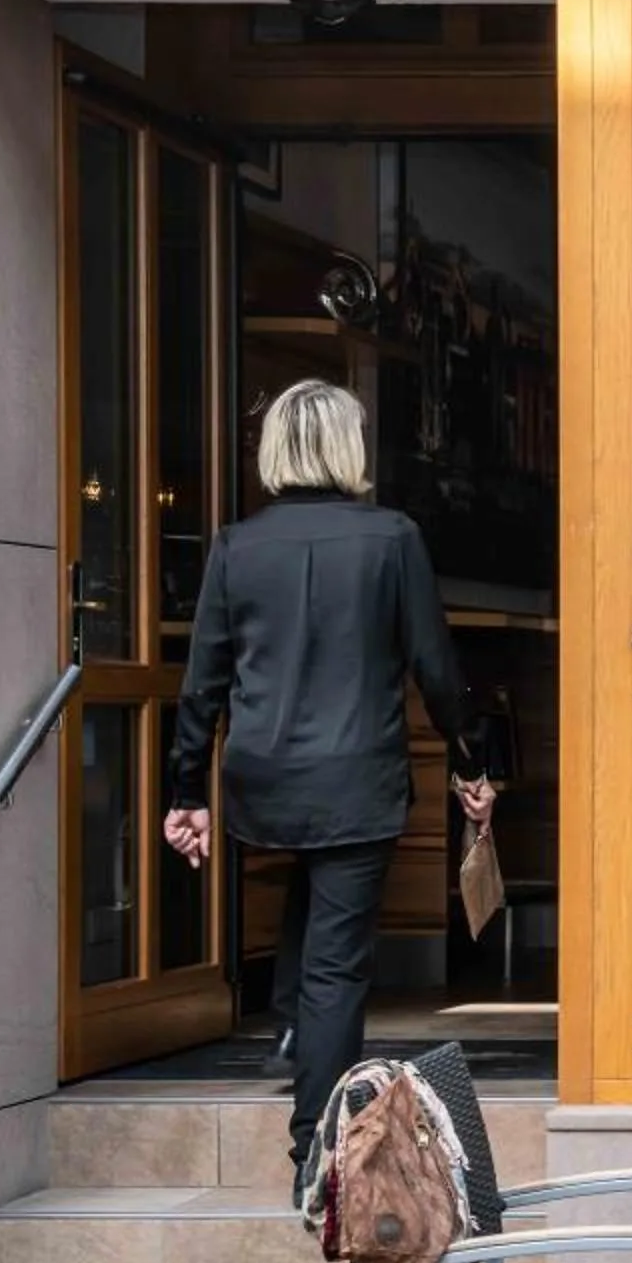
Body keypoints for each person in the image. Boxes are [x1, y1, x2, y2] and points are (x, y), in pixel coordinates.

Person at [162, 380, 495, 1192]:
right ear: (348, 447)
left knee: (306, 927)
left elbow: (203, 681)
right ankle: (318, 1148)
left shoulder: (236, 547)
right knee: (336, 967)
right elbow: (437, 669)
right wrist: (471, 762)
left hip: (263, 780)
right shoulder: (391, 539)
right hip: (356, 777)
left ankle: (299, 1036)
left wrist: (186, 793)